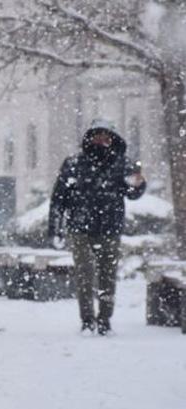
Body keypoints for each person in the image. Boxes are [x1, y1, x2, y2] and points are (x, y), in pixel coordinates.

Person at [49, 118, 146, 336]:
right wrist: (55, 229)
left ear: (112, 139)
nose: (101, 140)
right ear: (90, 138)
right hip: (80, 227)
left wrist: (139, 184)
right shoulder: (74, 164)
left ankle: (104, 319)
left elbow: (132, 193)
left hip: (110, 228)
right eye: (97, 135)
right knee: (84, 274)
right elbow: (59, 199)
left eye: (105, 136)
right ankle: (87, 319)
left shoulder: (121, 164)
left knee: (107, 276)